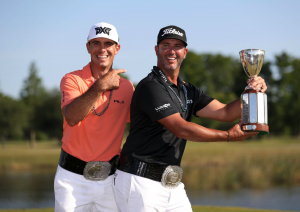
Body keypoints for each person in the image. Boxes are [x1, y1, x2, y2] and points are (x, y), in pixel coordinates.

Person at [112, 25, 267, 212]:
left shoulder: (187, 89)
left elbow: (226, 112)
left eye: (177, 46)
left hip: (172, 184)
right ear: (156, 50)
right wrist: (228, 136)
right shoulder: (150, 86)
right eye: (165, 45)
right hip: (139, 182)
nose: (171, 51)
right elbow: (181, 128)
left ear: (184, 52)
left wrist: (251, 91)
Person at [54, 22, 134, 212]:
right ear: (88, 47)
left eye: (108, 43)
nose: (102, 49)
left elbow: (141, 125)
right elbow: (72, 117)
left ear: (117, 48)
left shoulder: (127, 87)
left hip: (111, 180)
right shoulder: (72, 79)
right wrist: (100, 86)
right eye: (96, 43)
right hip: (72, 179)